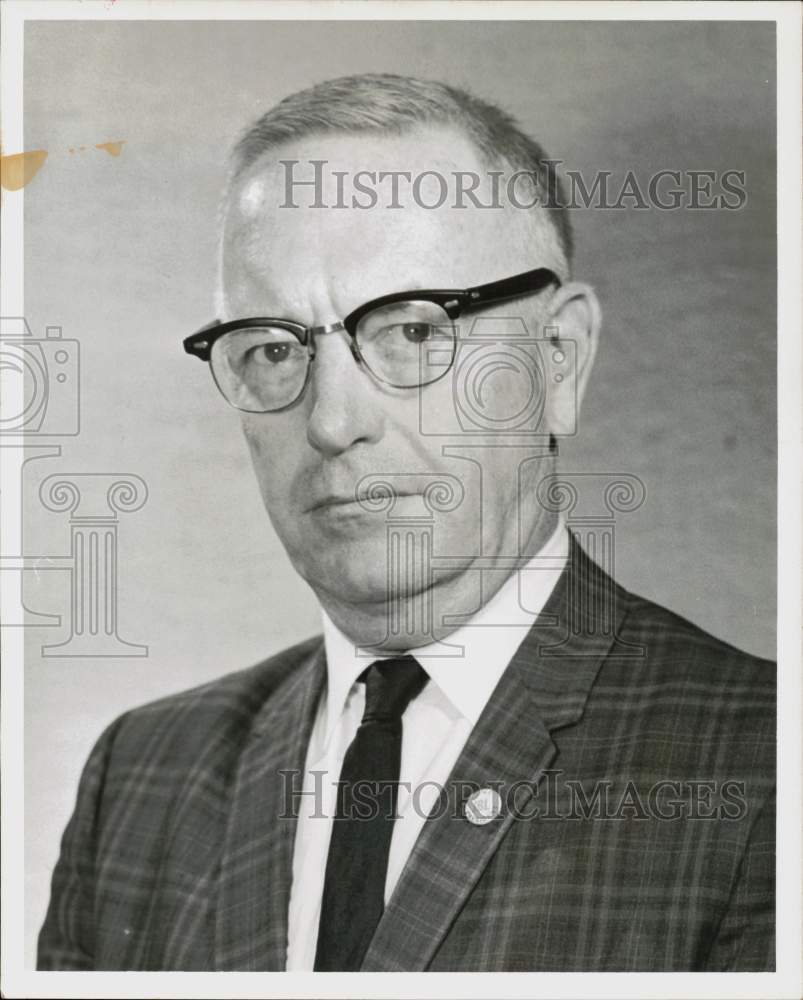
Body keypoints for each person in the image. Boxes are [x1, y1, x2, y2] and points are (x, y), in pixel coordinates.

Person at [37, 73, 775, 972]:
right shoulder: (141, 774)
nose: (332, 421)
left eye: (415, 332)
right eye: (274, 349)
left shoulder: (764, 764)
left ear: (559, 360)